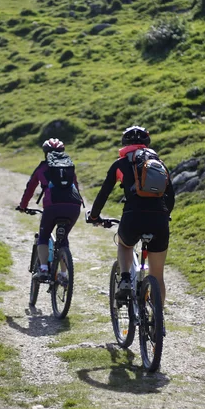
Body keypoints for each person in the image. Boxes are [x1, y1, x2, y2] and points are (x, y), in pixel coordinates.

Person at [86, 126, 175, 306]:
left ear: (124, 143)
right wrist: (166, 215)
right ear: (147, 143)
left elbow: (104, 193)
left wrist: (94, 216)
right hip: (159, 219)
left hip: (133, 216)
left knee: (125, 244)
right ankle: (157, 322)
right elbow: (170, 196)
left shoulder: (119, 164)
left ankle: (125, 278)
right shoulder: (159, 163)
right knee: (157, 276)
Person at [17, 138, 83, 282]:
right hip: (73, 206)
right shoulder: (69, 166)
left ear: (45, 153)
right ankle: (64, 275)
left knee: (44, 236)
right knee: (63, 238)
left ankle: (44, 270)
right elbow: (76, 187)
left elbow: (30, 188)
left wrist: (23, 206)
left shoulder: (42, 167)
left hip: (52, 206)